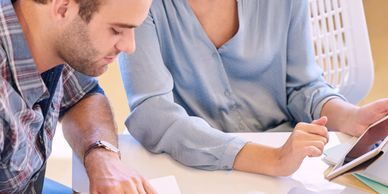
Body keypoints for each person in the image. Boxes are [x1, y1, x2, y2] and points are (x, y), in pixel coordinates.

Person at [119, 0, 388, 177]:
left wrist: (352, 118)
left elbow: (302, 86)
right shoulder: (140, 7)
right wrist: (271, 159)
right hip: (198, 164)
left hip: (289, 162)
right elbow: (155, 116)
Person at [0, 0, 155, 193]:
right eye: (116, 30)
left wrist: (101, 156)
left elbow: (83, 96)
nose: (130, 46)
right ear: (63, 8)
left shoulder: (50, 35)